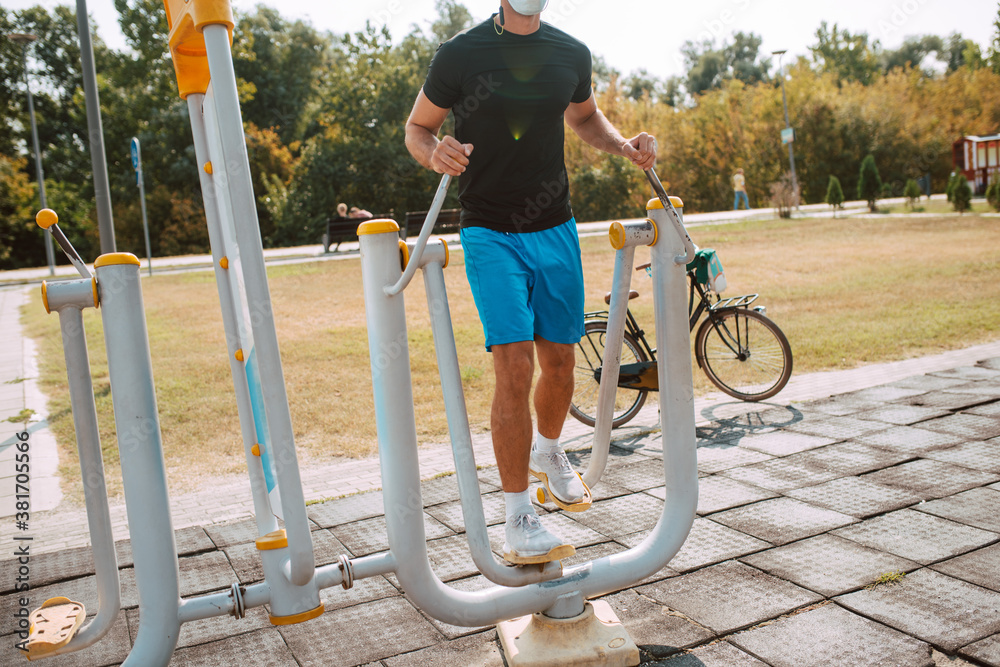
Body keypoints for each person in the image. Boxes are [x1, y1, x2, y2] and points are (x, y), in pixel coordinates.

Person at [405, 0, 655, 565]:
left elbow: (584, 117)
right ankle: (518, 516)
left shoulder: (570, 53)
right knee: (514, 363)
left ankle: (548, 450)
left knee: (562, 363)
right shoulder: (460, 54)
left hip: (555, 226)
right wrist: (433, 152)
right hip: (489, 230)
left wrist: (622, 145)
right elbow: (418, 128)